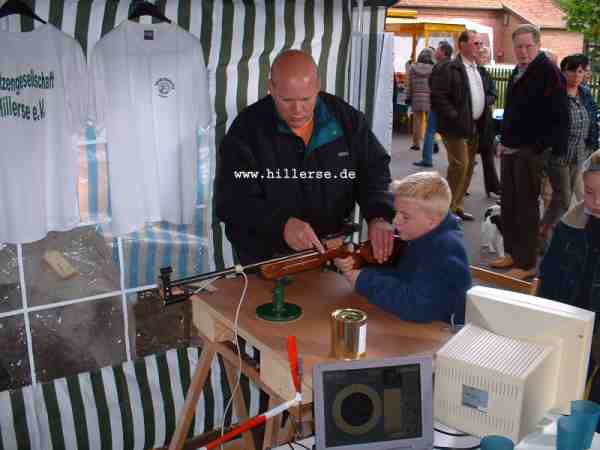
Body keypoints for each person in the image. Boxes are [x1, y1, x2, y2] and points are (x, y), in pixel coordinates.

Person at [215, 50, 395, 264]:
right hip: (266, 259)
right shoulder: (246, 130)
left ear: (317, 86)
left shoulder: (345, 119)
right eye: (286, 100)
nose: (297, 110)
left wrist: (379, 214)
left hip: (331, 252)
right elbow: (232, 201)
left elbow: (373, 170)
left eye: (306, 99)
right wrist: (281, 225)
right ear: (271, 88)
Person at [334, 172, 471, 324]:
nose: (395, 221)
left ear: (432, 221)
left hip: (443, 333)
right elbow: (406, 276)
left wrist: (364, 280)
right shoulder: (424, 234)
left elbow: (418, 307)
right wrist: (360, 266)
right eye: (396, 212)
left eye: (405, 216)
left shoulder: (445, 249)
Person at [491, 24, 569, 280]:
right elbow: (513, 110)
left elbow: (559, 116)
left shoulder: (549, 72)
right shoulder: (518, 70)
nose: (522, 51)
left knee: (525, 207)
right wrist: (503, 139)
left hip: (530, 151)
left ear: (537, 45)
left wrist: (539, 148)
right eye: (518, 47)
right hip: (512, 148)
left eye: (528, 46)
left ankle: (526, 263)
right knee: (510, 205)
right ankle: (513, 253)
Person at [540, 54, 599, 244]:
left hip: (579, 153)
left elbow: (592, 120)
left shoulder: (585, 94)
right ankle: (545, 232)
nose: (575, 75)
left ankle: (546, 231)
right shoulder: (555, 94)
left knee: (562, 199)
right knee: (564, 198)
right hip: (559, 153)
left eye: (580, 71)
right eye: (571, 70)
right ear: (563, 72)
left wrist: (592, 144)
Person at [430, 30, 489, 221]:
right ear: (462, 44)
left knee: (469, 166)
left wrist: (485, 101)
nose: (479, 47)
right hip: (455, 126)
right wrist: (455, 116)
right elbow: (438, 95)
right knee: (460, 165)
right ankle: (445, 210)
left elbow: (487, 90)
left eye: (480, 44)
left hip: (474, 125)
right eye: (475, 43)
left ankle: (456, 206)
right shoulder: (450, 67)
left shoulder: (477, 68)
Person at [538, 149, 600, 327]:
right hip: (568, 326)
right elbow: (548, 277)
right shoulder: (568, 227)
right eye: (589, 192)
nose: (597, 202)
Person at [414, 41, 453, 168]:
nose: (435, 52)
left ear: (443, 52)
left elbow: (438, 86)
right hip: (442, 105)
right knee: (445, 133)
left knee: (431, 131)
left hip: (438, 105)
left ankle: (427, 159)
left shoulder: (441, 67)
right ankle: (458, 159)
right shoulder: (448, 66)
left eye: (438, 50)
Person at [476, 45, 501, 198]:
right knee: (467, 158)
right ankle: (461, 187)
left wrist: (485, 100)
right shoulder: (468, 72)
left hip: (485, 119)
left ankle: (493, 186)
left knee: (487, 154)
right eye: (482, 56)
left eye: (485, 56)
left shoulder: (485, 73)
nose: (483, 59)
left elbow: (493, 92)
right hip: (471, 120)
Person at [406, 48, 435, 151]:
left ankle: (416, 144)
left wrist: (408, 97)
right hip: (429, 98)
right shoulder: (433, 68)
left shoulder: (413, 68)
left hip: (416, 97)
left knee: (417, 122)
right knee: (430, 122)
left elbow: (409, 84)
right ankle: (432, 143)